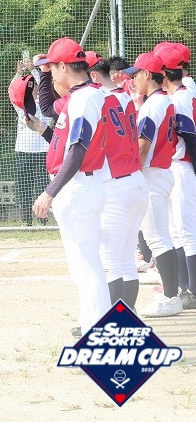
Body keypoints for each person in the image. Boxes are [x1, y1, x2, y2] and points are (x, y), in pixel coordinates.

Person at [30, 37, 110, 336]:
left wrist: (50, 192)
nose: (50, 73)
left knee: (86, 265)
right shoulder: (84, 95)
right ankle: (95, 327)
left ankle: (98, 332)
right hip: (81, 184)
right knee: (84, 264)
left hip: (78, 185)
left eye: (52, 68)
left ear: (64, 66)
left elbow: (77, 149)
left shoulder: (84, 98)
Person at [120, 52, 181, 317]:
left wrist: (129, 174)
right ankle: (172, 294)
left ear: (147, 74)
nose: (133, 80)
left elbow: (143, 146)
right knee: (162, 237)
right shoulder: (162, 100)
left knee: (158, 238)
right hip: (160, 172)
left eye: (136, 74)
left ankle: (171, 298)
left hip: (152, 174)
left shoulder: (153, 104)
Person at [85, 54, 147, 312]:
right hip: (137, 181)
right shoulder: (125, 97)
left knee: (110, 263)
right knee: (126, 262)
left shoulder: (97, 100)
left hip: (116, 185)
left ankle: (110, 322)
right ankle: (126, 319)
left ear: (93, 76)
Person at [155, 43, 196, 310]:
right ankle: (184, 287)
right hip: (175, 167)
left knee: (187, 230)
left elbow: (190, 138)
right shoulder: (177, 94)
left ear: (164, 72)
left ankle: (193, 290)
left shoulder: (181, 97)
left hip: (183, 167)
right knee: (176, 231)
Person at [9, 60, 52, 226]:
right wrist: (19, 73)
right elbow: (12, 90)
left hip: (43, 151)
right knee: (24, 188)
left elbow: (46, 86)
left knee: (42, 186)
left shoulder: (46, 106)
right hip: (23, 152)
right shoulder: (21, 106)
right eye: (28, 88)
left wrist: (33, 70)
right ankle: (26, 221)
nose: (31, 91)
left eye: (34, 87)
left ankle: (42, 220)